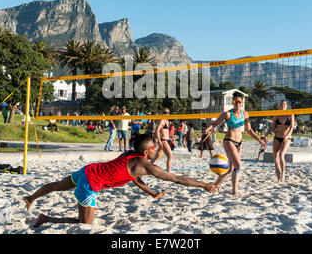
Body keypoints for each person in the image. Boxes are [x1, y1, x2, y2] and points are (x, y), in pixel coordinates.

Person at [23, 134, 218, 227]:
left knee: (56, 186)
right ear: (146, 151)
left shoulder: (131, 156)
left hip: (87, 171)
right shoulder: (147, 165)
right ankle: (46, 218)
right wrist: (205, 185)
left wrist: (151, 193)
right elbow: (177, 179)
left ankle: (31, 197)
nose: (156, 149)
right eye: (153, 148)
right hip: (90, 185)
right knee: (85, 225)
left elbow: (133, 178)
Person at [204, 92, 266, 195]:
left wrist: (260, 140)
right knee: (238, 165)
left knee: (231, 169)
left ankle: (213, 186)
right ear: (233, 102)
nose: (237, 103)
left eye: (239, 102)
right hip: (229, 141)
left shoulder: (245, 113)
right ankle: (234, 192)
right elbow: (215, 123)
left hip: (239, 142)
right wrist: (207, 129)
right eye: (235, 101)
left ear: (242, 103)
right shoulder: (227, 114)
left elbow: (249, 130)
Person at [264, 100, 295, 183]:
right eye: (281, 104)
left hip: (286, 138)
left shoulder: (290, 114)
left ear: (287, 106)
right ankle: (278, 178)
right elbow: (272, 126)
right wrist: (266, 134)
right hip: (277, 137)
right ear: (279, 105)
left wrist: (287, 136)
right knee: (275, 157)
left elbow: (292, 127)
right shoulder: (277, 114)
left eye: (284, 104)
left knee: (281, 155)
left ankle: (283, 174)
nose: (282, 105)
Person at [150, 108, 174, 172]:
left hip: (166, 140)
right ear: (162, 113)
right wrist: (159, 141)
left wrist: (170, 135)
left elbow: (165, 131)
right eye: (164, 112)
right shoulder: (162, 121)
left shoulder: (168, 121)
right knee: (170, 156)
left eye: (167, 112)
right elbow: (156, 131)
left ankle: (147, 167)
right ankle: (168, 172)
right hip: (163, 141)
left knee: (157, 157)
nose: (166, 114)